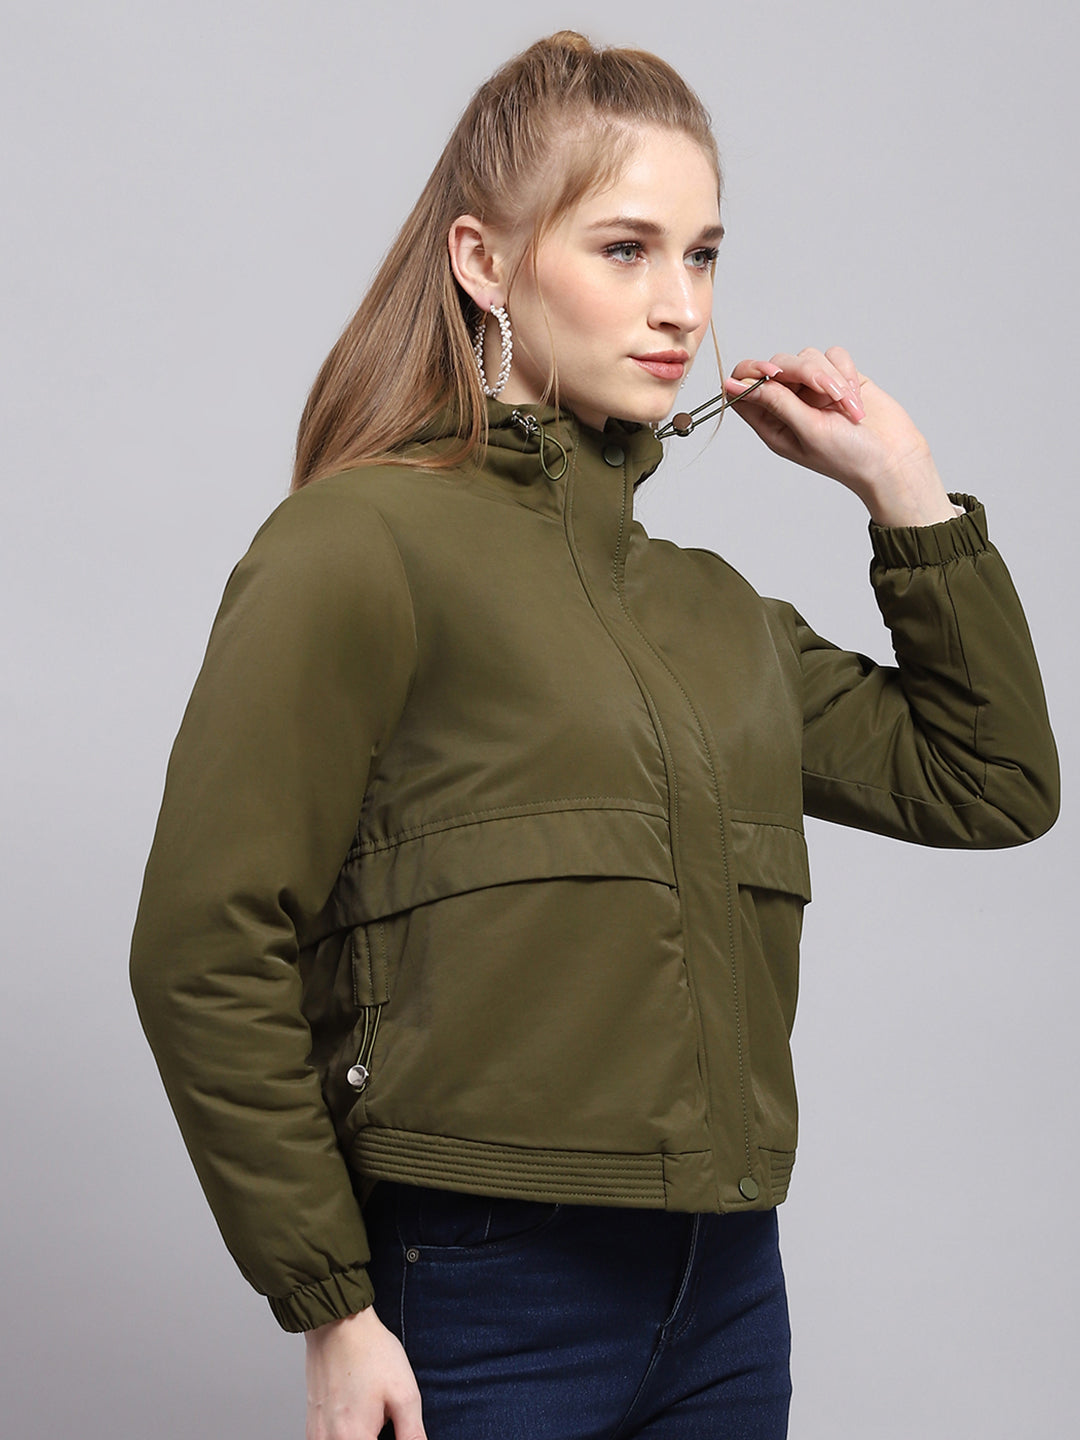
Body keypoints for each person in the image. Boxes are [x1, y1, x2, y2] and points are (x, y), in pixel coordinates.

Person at [129, 30, 1059, 1440]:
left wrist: (906, 495)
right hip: (483, 1291)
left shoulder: (712, 613)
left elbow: (991, 783)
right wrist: (330, 1302)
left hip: (726, 1289)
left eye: (703, 255)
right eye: (626, 249)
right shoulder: (359, 544)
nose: (681, 305)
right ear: (484, 260)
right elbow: (204, 943)